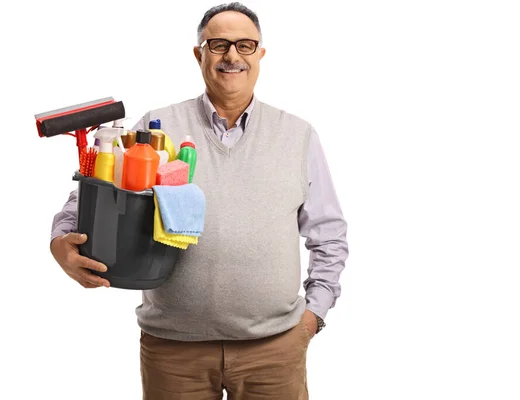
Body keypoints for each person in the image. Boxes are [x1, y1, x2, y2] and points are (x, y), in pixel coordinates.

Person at [50, 2, 349, 399]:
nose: (231, 56)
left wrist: (313, 317)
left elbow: (328, 234)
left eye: (245, 45)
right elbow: (91, 194)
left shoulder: (298, 136)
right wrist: (61, 243)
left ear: (260, 54)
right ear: (199, 53)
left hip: (274, 349)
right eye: (218, 44)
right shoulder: (157, 131)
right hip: (173, 351)